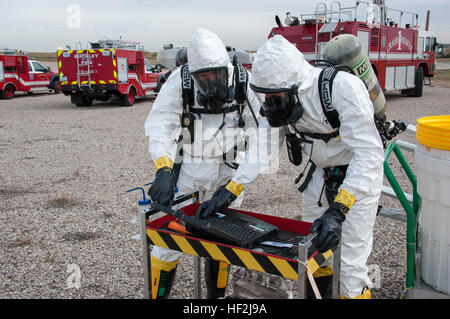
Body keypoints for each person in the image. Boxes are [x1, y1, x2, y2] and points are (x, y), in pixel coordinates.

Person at [249, 35, 385, 299]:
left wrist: (339, 210)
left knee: (349, 266)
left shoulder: (343, 89)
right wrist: (231, 189)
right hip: (318, 178)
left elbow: (369, 155)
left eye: (275, 97)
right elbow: (261, 152)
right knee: (314, 251)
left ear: (295, 87)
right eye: (266, 97)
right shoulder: (282, 97)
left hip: (356, 179)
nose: (271, 103)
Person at [144, 28, 275, 299]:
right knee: (169, 240)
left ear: (226, 68)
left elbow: (264, 137)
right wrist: (164, 168)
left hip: (229, 170)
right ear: (193, 73)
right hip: (189, 168)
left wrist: (235, 188)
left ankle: (215, 299)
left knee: (223, 239)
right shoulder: (180, 82)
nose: (211, 82)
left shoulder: (243, 83)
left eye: (216, 75)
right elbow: (161, 125)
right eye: (204, 77)